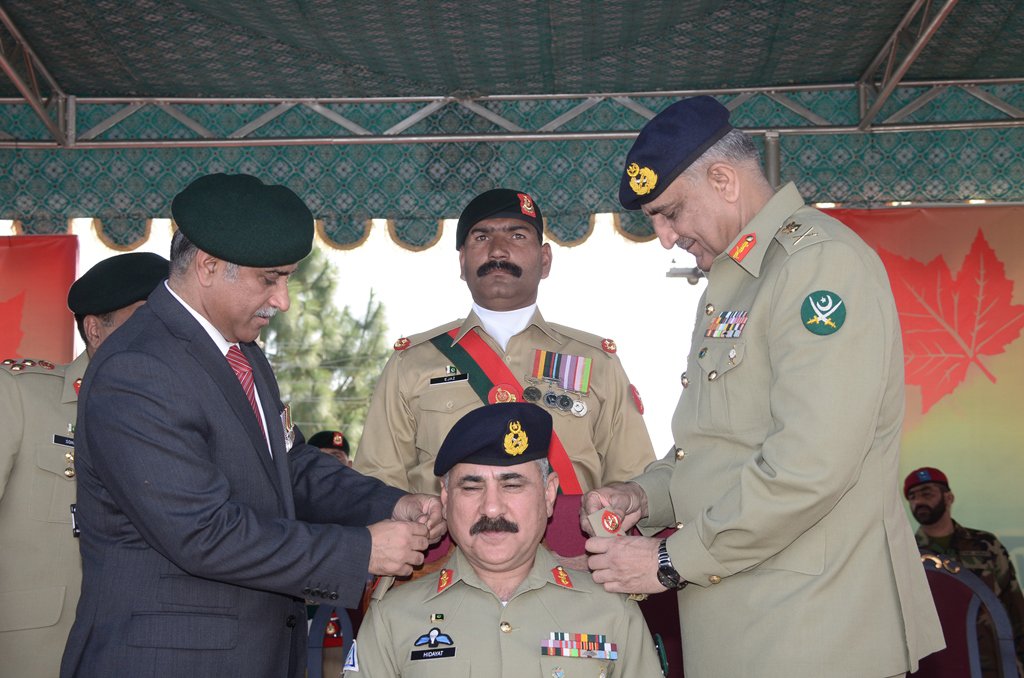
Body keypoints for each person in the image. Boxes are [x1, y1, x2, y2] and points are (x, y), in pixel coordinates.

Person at [580, 96, 944, 677]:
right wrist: (646, 496)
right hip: (749, 626)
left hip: (815, 634)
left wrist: (670, 559)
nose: (666, 238)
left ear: (723, 180)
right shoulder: (737, 282)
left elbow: (809, 464)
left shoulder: (816, 266)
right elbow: (714, 446)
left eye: (670, 213)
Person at [60, 173, 446, 678]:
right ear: (208, 266)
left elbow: (289, 466)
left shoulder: (240, 355)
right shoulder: (139, 368)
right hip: (169, 660)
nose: (283, 300)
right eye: (271, 278)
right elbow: (203, 533)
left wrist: (388, 503)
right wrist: (362, 550)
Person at [355, 187, 656, 497]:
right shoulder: (412, 364)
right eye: (481, 238)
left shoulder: (597, 364)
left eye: (517, 236)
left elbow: (634, 482)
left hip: (569, 544)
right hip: (447, 544)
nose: (497, 251)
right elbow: (378, 487)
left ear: (545, 260)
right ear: (462, 262)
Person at [346, 402, 663, 677]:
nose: (492, 507)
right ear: (445, 497)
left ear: (549, 494)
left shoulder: (611, 611)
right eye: (471, 487)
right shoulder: (393, 616)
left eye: (512, 485)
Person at [0, 252, 168, 678]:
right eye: (146, 317)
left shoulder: (177, 420)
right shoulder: (21, 397)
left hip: (144, 645)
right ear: (95, 329)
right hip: (37, 647)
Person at [905, 467, 1024, 675]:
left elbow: (1013, 606)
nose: (918, 502)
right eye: (912, 497)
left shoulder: (986, 545)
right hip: (933, 666)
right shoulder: (905, 552)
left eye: (927, 493)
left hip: (988, 664)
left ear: (949, 497)